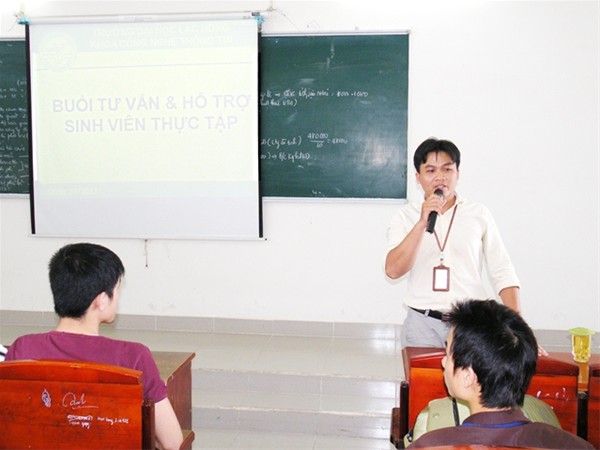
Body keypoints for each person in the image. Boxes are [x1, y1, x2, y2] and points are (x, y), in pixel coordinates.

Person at [5, 243, 183, 450]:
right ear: (101, 300)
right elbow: (172, 443)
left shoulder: (22, 348)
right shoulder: (133, 356)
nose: (118, 297)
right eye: (116, 290)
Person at [385, 137, 525, 349]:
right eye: (430, 170)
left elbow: (502, 271)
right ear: (418, 177)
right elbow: (393, 270)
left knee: (471, 373)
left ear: (457, 173)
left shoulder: (478, 214)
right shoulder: (405, 216)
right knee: (422, 372)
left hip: (471, 324)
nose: (440, 177)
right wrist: (422, 223)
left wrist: (518, 327)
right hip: (422, 324)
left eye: (447, 169)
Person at [408, 299, 593, 449]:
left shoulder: (431, 445)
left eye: (448, 354)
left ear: (468, 376)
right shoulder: (574, 446)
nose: (443, 362)